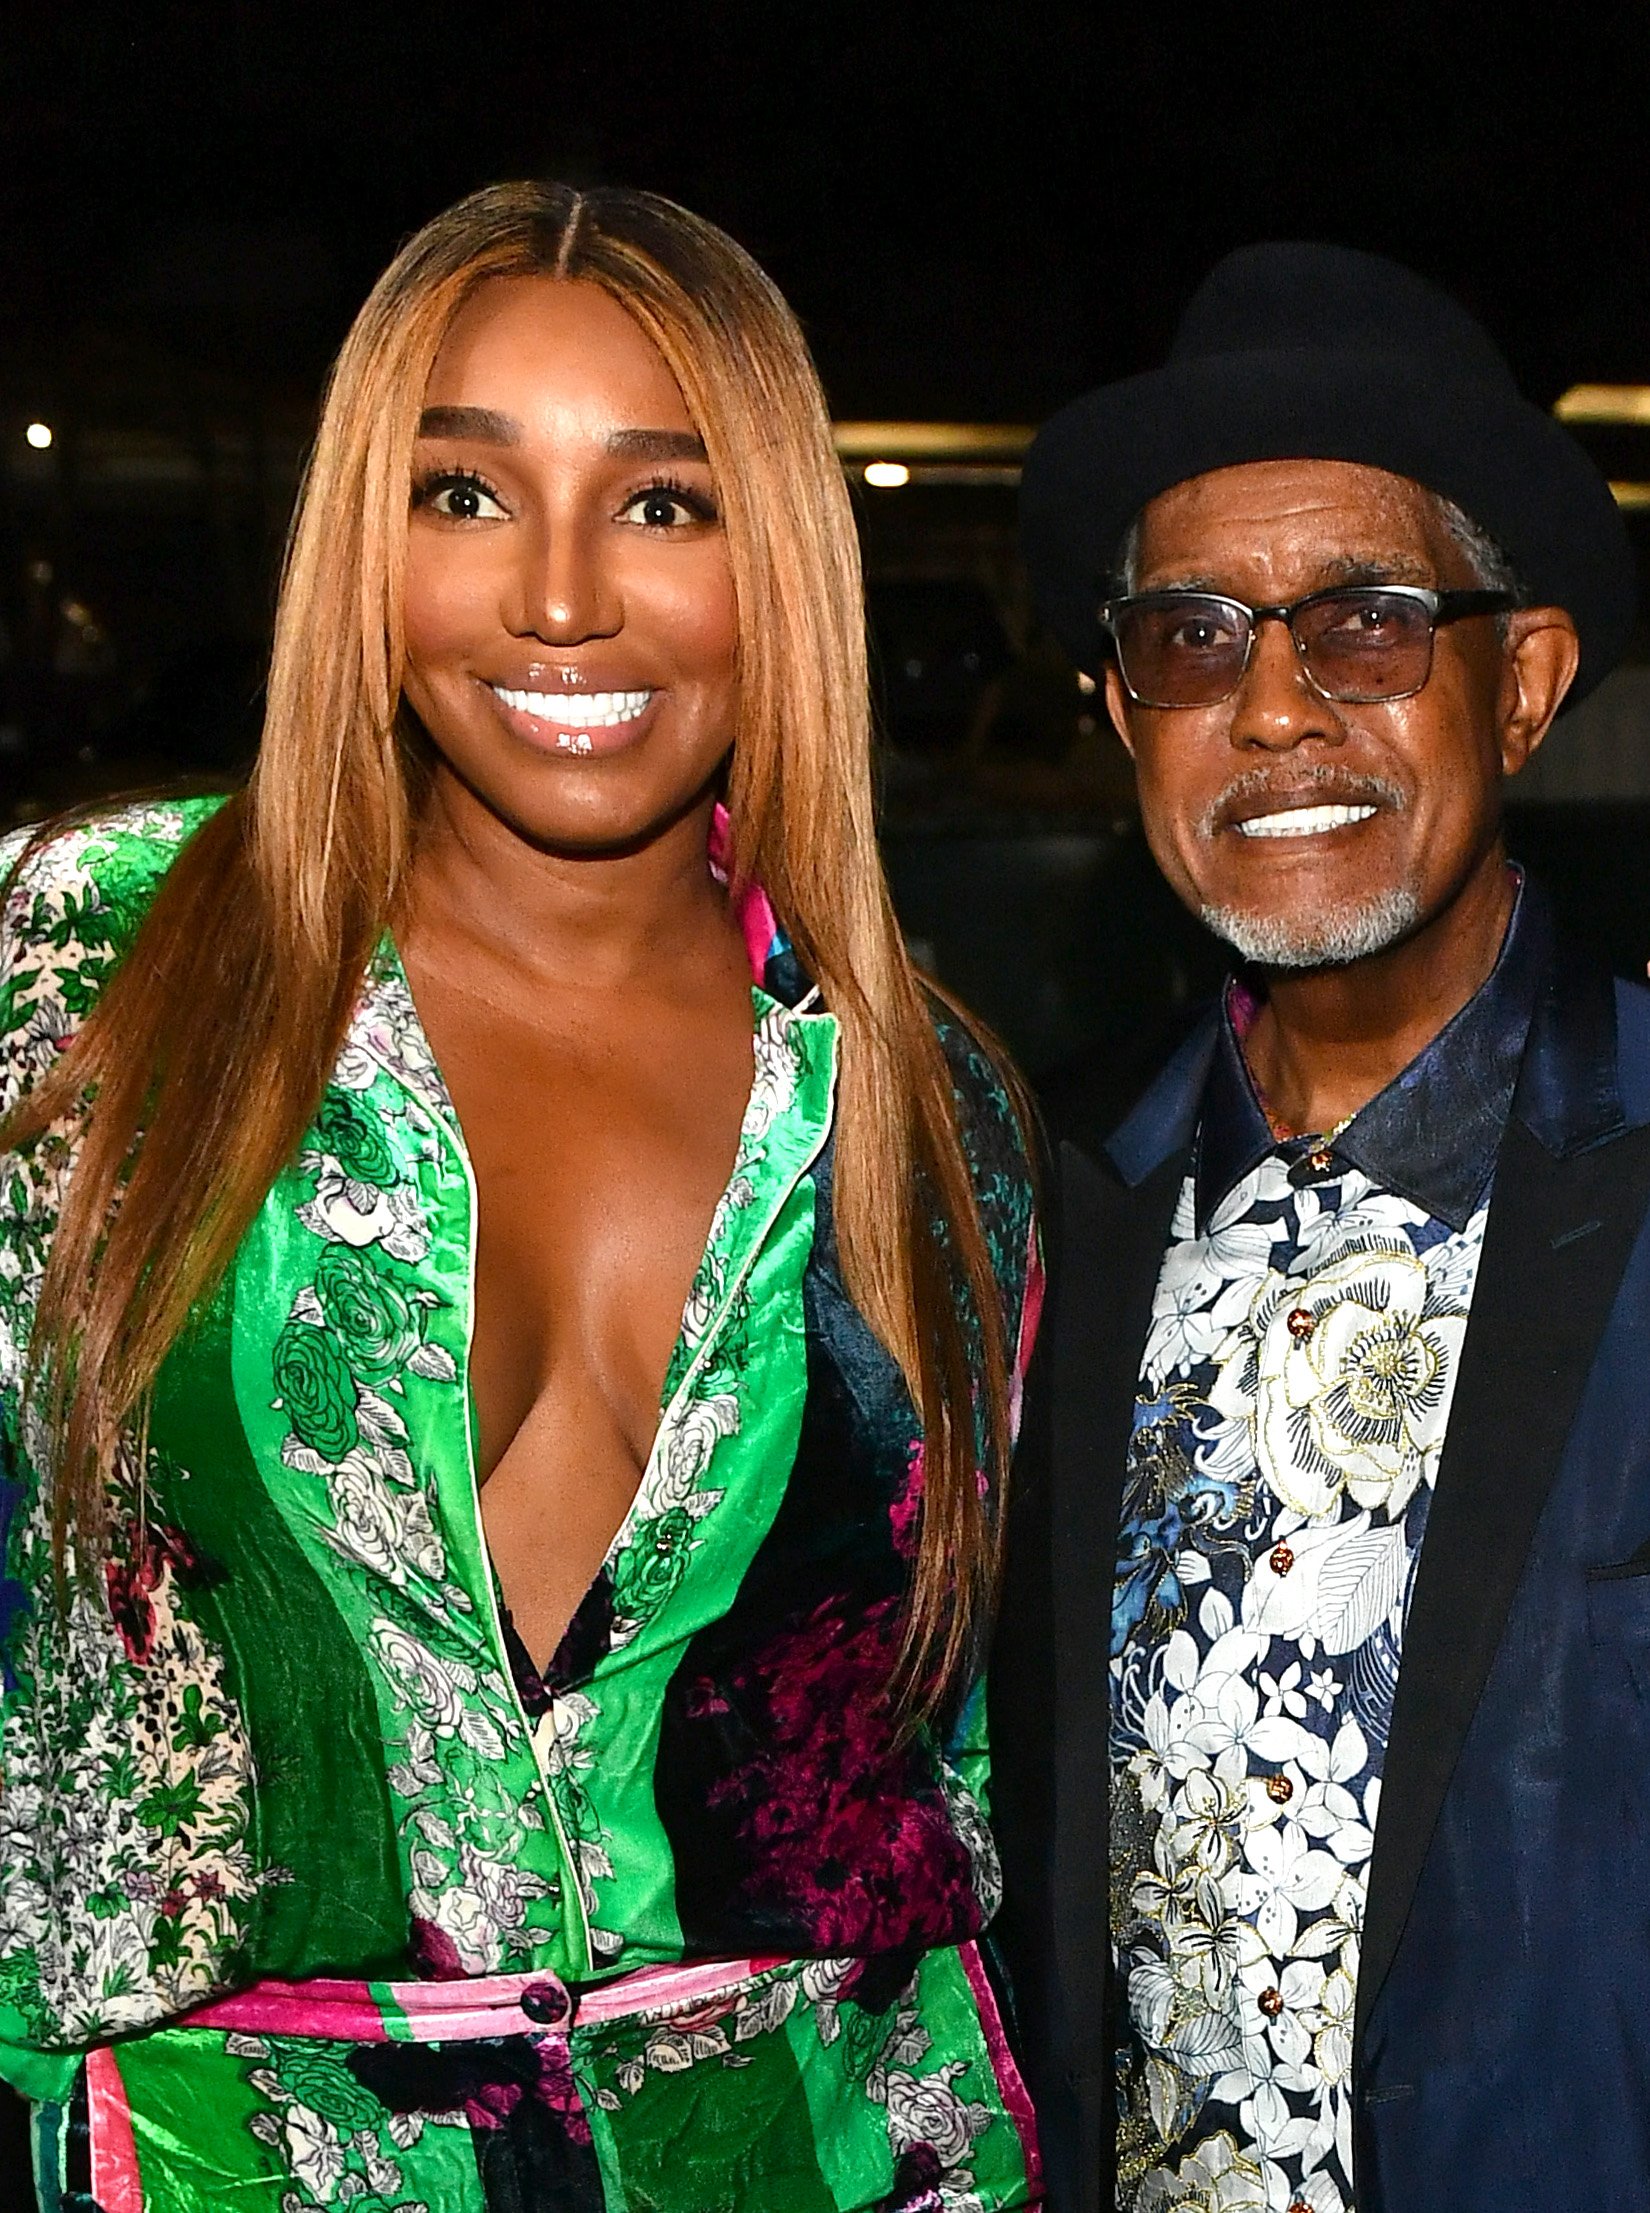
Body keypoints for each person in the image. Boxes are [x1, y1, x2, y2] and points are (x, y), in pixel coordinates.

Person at [0, 182, 1043, 2213]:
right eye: (465, 496)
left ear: (780, 563)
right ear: (363, 547)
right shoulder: (86, 974)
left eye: (664, 505)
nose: (560, 599)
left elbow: (945, 1790)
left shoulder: (934, 1112)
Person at [991, 241, 1648, 2212]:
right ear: (1121, 710)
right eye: (1194, 641)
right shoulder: (1030, 1202)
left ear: (1520, 684)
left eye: (1364, 625)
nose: (1275, 707)